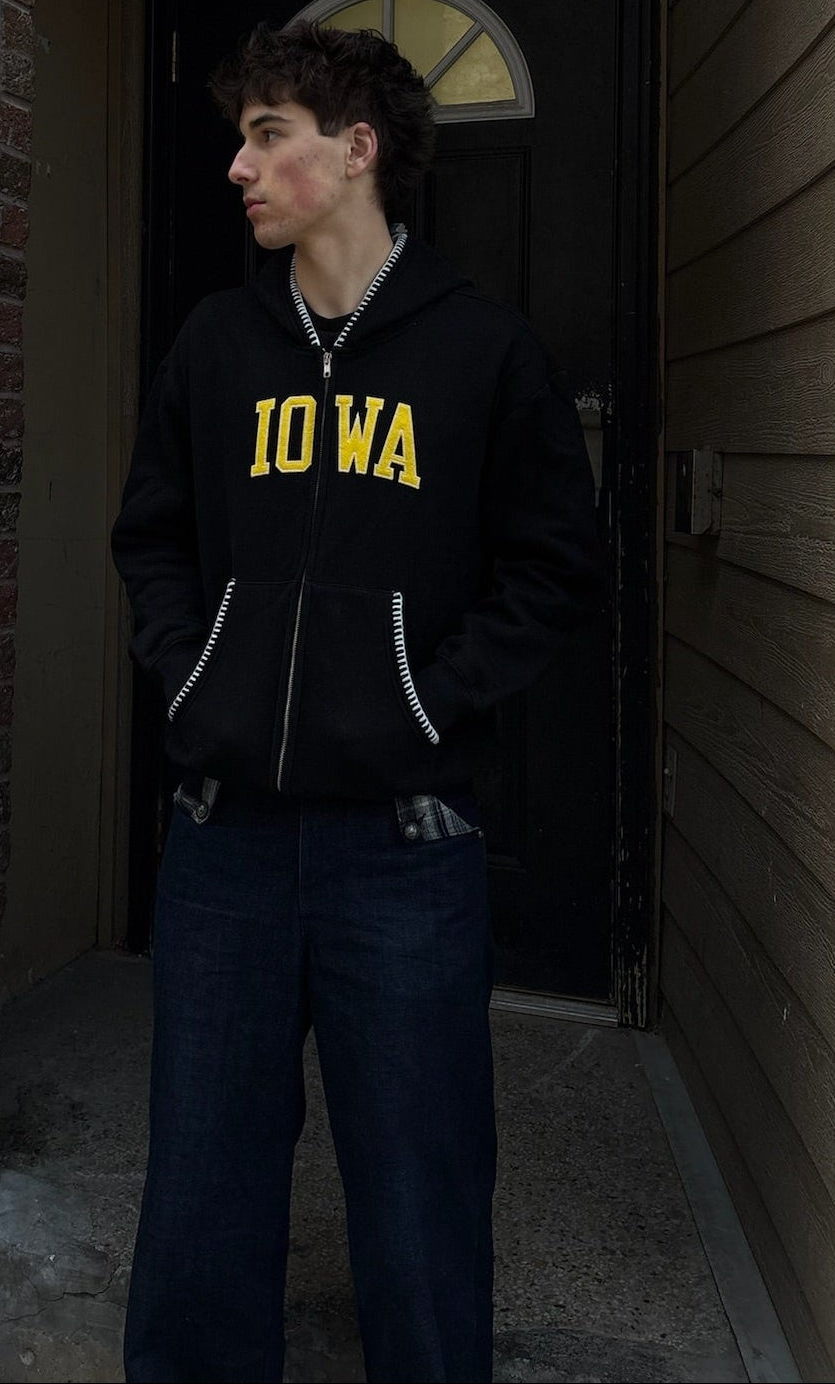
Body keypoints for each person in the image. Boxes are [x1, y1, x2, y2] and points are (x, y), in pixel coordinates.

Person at [111, 20, 601, 1384]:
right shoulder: (218, 345)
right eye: (242, 136)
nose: (237, 166)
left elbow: (554, 568)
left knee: (419, 1188)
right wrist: (193, 670)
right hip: (224, 838)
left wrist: (420, 707)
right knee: (202, 1187)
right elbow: (150, 538)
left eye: (267, 135)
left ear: (356, 150)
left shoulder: (479, 352)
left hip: (403, 846)